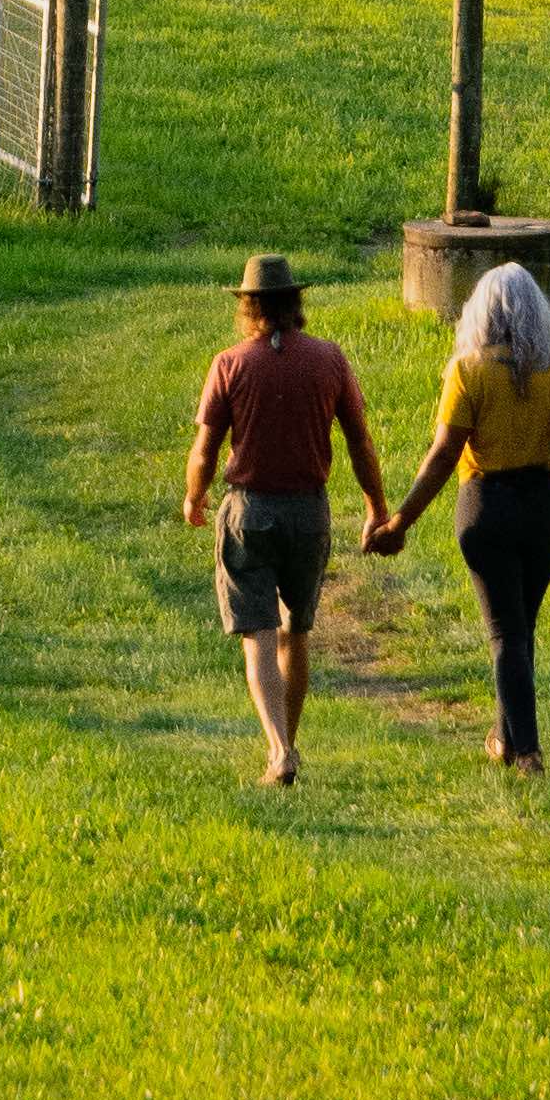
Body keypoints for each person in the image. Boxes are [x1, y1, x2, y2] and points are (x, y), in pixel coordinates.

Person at [366, 261, 550, 774]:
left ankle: (525, 750)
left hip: (486, 507)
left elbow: (443, 455)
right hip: (544, 509)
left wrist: (401, 521)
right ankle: (506, 739)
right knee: (520, 628)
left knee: (507, 632)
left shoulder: (468, 370)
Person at [183, 254, 391, 788]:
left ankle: (278, 751)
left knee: (257, 634)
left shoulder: (229, 364)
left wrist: (195, 497)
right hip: (308, 512)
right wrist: (376, 508)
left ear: (248, 307)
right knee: (295, 634)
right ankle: (288, 745)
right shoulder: (329, 360)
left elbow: (205, 449)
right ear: (296, 304)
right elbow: (359, 443)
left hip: (250, 510)